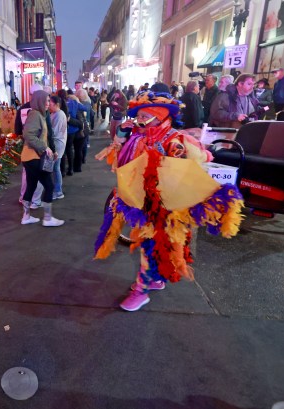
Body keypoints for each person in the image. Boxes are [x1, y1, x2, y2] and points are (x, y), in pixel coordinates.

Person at [95, 91, 243, 311]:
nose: (140, 120)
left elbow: (203, 157)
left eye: (146, 116)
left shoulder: (176, 138)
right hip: (143, 199)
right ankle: (155, 278)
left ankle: (141, 290)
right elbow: (121, 161)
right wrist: (121, 137)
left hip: (168, 202)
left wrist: (181, 155)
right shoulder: (138, 136)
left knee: (154, 243)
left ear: (160, 115)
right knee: (152, 243)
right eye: (139, 116)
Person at [20, 90, 64, 227]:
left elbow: (41, 136)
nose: (48, 104)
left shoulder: (39, 114)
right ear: (39, 101)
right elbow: (29, 135)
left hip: (31, 157)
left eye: (49, 101)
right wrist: (45, 148)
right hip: (33, 157)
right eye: (46, 101)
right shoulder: (35, 115)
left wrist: (49, 150)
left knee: (32, 185)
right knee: (49, 185)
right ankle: (47, 218)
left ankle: (26, 216)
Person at [15, 83, 44, 208]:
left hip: (26, 145)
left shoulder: (22, 109)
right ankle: (35, 201)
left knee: (26, 173)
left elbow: (17, 130)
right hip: (40, 146)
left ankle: (23, 197)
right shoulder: (42, 110)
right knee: (39, 174)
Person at [49, 95, 67, 199]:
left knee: (55, 168)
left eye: (50, 104)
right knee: (56, 168)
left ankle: (58, 191)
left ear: (57, 105)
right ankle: (57, 190)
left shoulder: (59, 115)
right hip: (57, 143)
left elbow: (54, 131)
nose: (49, 106)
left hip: (57, 143)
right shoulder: (55, 113)